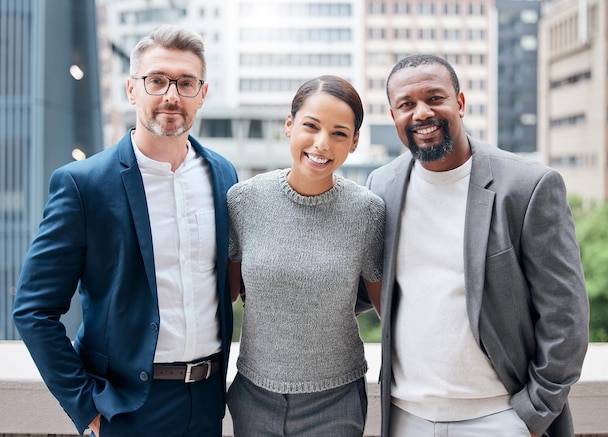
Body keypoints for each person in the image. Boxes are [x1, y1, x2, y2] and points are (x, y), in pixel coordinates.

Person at [13, 24, 237, 437]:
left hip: (208, 403)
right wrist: (87, 408)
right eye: (157, 80)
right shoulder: (83, 184)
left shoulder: (223, 174)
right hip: (128, 409)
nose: (172, 95)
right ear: (133, 89)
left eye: (186, 82)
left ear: (202, 94)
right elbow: (33, 310)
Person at [365, 54, 589, 437]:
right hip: (404, 416)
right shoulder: (380, 186)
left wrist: (533, 416)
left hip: (500, 418)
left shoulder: (528, 186)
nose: (421, 113)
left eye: (435, 98)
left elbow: (565, 316)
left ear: (461, 103)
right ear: (393, 115)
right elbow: (359, 287)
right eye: (406, 104)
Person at [226, 75, 384, 437]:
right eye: (310, 126)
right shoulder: (243, 200)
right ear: (289, 124)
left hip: (336, 400)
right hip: (253, 395)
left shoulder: (368, 212)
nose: (322, 144)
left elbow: (385, 309)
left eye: (340, 133)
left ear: (355, 142)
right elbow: (227, 295)